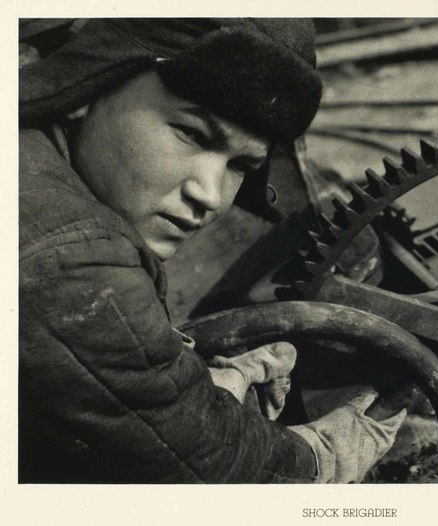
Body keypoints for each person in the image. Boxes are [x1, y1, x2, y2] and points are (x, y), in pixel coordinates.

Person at [19, 18, 405, 483]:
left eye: (241, 165)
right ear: (88, 87)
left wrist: (187, 380)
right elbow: (203, 468)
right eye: (193, 134)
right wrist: (320, 456)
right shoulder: (73, 254)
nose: (212, 195)